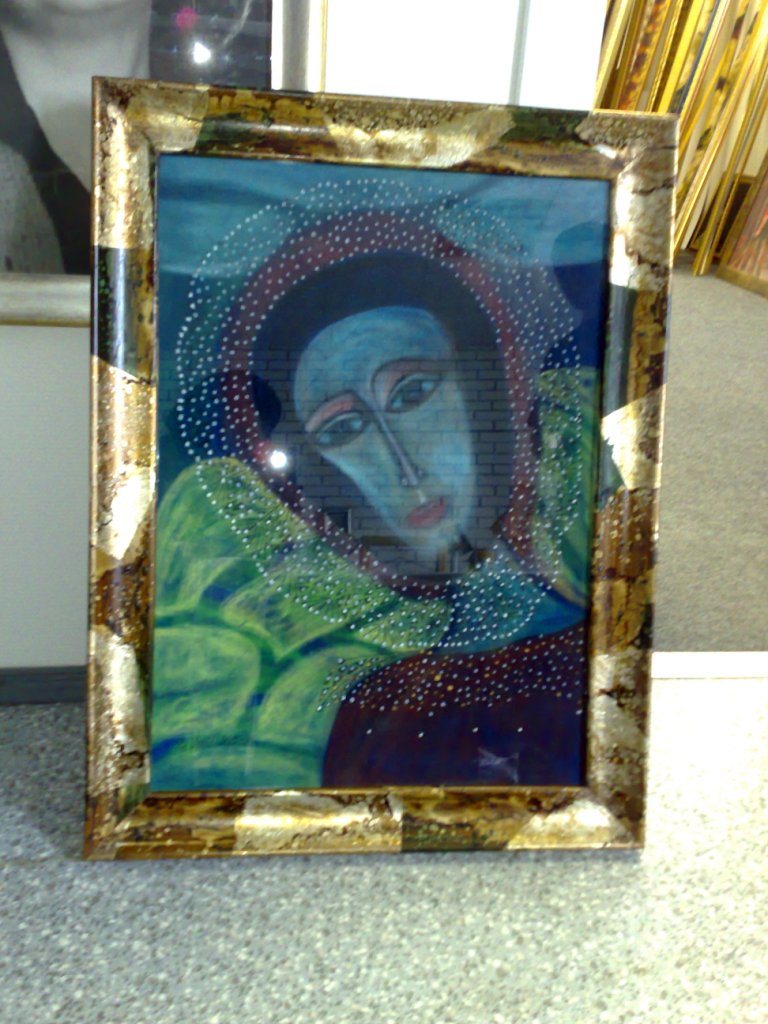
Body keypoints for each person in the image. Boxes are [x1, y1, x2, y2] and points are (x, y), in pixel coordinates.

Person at [150, 186, 606, 791]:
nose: (402, 466)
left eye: (413, 394)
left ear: (486, 389)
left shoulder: (602, 630)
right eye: (344, 429)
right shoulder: (362, 713)